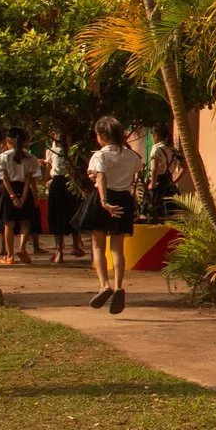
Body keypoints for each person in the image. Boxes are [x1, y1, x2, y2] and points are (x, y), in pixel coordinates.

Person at [84, 115, 140, 313]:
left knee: (98, 245)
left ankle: (104, 285)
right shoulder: (132, 156)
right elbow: (133, 176)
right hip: (124, 198)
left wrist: (104, 201)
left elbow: (100, 176)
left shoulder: (100, 155)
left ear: (101, 135)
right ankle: (118, 286)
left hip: (104, 199)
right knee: (117, 247)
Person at [0, 127, 40, 264]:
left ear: (8, 140)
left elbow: (5, 178)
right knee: (25, 221)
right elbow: (28, 179)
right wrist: (24, 196)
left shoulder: (3, 157)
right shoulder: (31, 158)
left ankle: (9, 255)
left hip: (8, 189)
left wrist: (12, 196)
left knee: (9, 223)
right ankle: (22, 247)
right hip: (23, 188)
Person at [44, 131, 84, 262]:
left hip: (58, 182)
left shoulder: (52, 150)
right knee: (72, 213)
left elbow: (48, 169)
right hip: (70, 182)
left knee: (57, 216)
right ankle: (75, 245)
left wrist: (46, 182)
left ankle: (59, 251)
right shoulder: (73, 150)